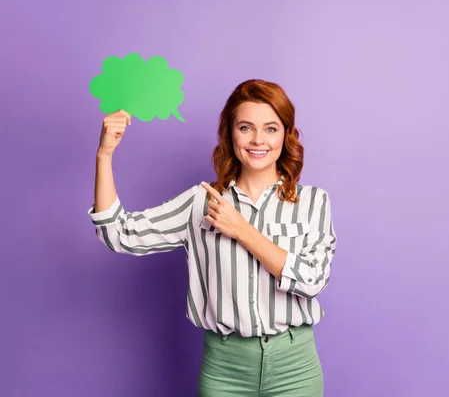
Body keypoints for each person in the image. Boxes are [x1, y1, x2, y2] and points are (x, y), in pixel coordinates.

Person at [88, 79, 337, 396]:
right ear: (230, 133)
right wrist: (104, 155)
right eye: (245, 128)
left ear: (286, 134)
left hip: (295, 369)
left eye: (271, 128)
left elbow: (311, 280)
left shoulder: (313, 202)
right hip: (224, 370)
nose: (258, 139)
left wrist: (241, 230)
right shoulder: (200, 202)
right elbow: (118, 233)